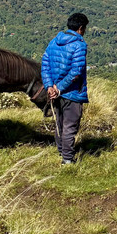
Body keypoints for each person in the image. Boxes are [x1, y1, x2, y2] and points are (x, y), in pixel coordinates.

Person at [40, 12, 90, 166]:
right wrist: (59, 88)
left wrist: (50, 86)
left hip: (55, 94)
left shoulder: (54, 42)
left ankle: (62, 151)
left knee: (59, 123)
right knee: (69, 126)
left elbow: (45, 65)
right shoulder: (79, 45)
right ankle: (67, 159)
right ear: (80, 28)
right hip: (72, 92)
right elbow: (76, 72)